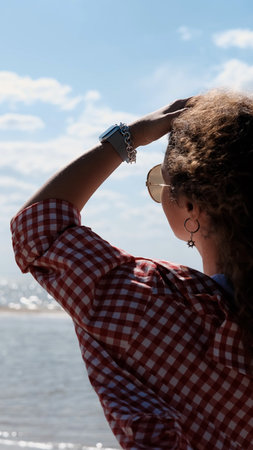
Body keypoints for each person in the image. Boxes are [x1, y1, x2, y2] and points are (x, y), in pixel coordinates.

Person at [11, 90, 252, 449]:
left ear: (188, 202)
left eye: (160, 183)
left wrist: (131, 135)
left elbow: (39, 229)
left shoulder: (157, 306)